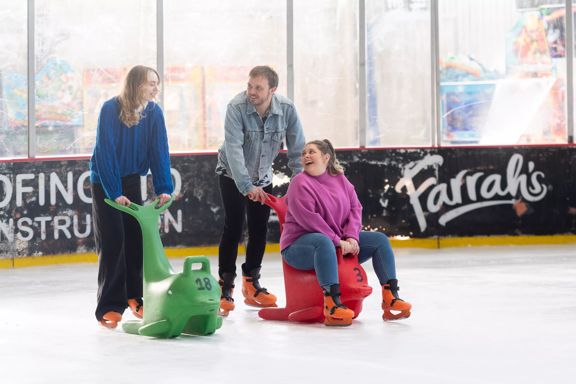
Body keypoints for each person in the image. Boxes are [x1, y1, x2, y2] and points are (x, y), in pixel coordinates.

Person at [280, 139, 412, 326]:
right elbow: (309, 219)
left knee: (379, 240)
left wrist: (352, 236)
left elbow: (355, 208)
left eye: (311, 152)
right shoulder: (299, 183)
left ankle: (391, 298)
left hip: (335, 242)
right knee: (323, 242)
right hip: (298, 246)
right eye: (303, 153)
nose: (306, 156)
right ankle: (332, 305)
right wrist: (337, 241)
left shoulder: (340, 179)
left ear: (326, 157)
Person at [215, 65, 306, 315]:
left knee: (259, 229)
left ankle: (251, 283)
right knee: (233, 226)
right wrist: (246, 186)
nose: (251, 92)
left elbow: (298, 149)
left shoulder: (286, 109)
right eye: (249, 86)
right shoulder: (236, 108)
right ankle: (226, 285)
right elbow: (233, 149)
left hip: (263, 175)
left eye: (258, 88)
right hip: (232, 174)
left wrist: (301, 184)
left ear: (272, 90)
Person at [90, 65, 173, 328]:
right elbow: (105, 153)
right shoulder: (109, 109)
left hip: (130, 178)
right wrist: (114, 193)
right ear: (136, 84)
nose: (155, 88)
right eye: (151, 83)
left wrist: (163, 187)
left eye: (157, 83)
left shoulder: (154, 112)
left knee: (135, 237)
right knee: (114, 240)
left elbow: (159, 150)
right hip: (105, 180)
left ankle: (134, 296)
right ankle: (110, 305)